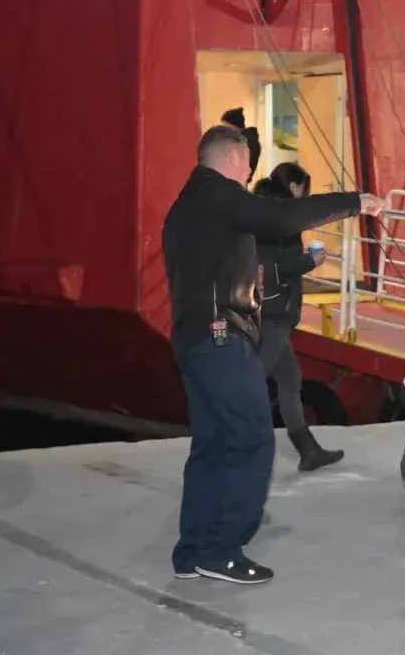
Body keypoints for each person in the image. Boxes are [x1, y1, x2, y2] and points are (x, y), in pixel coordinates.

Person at [162, 124, 382, 585]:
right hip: (222, 337)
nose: (250, 169)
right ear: (231, 158)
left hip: (195, 340)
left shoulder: (186, 206)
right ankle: (222, 550)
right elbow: (281, 219)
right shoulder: (219, 195)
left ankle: (194, 551)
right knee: (252, 438)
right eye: (247, 159)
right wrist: (354, 202)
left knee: (211, 446)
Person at [253, 162, 343, 472]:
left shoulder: (265, 212)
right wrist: (310, 261)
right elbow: (277, 266)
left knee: (290, 377)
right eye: (304, 190)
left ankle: (308, 450)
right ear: (293, 187)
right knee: (254, 379)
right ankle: (233, 444)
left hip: (273, 307)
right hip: (276, 309)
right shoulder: (281, 219)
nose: (304, 196)